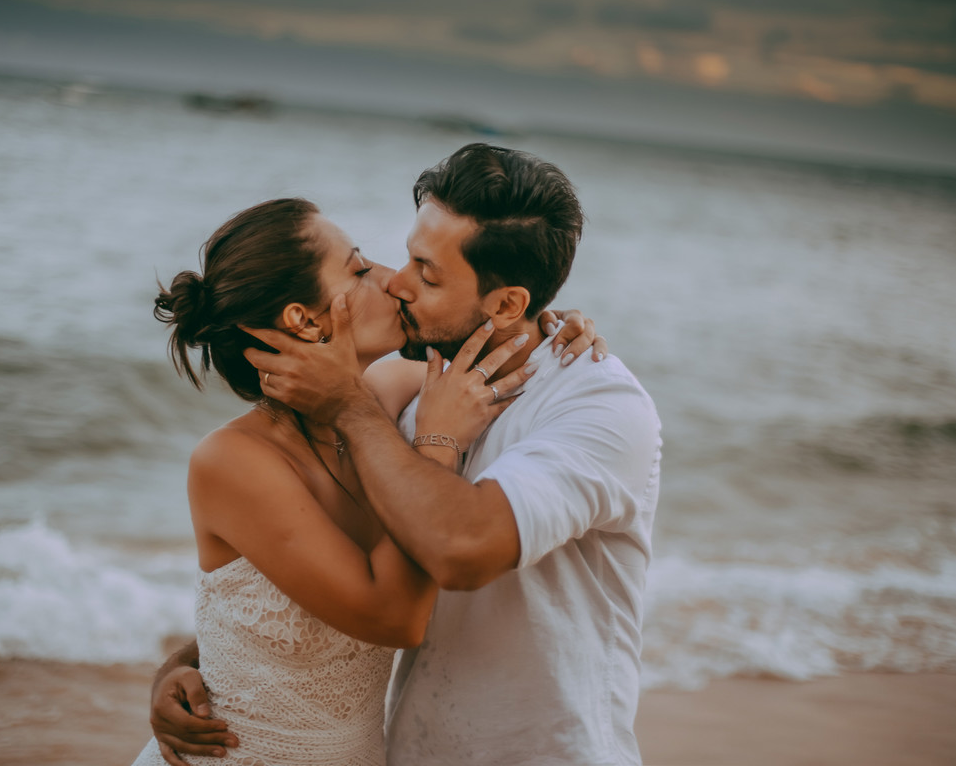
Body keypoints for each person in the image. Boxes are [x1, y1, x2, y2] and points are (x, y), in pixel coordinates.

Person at [152, 143, 662, 764]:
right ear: (305, 320)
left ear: (508, 302)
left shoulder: (573, 404)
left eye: (425, 270)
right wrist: (185, 661)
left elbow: (446, 554)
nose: (395, 280)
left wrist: (542, 331)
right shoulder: (389, 408)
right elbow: (277, 601)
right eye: (368, 267)